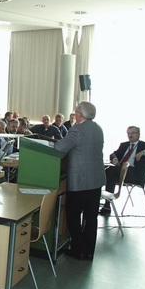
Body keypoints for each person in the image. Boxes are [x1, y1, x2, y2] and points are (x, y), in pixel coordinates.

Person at [53, 101, 105, 261]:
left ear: (80, 115)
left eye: (75, 112)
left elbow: (59, 148)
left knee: (73, 215)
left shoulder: (77, 130)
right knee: (91, 218)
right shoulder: (98, 128)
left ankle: (78, 248)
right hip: (96, 180)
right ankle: (89, 251)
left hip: (80, 181)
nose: (74, 114)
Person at [100, 126, 145, 215]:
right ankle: (107, 205)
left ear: (139, 134)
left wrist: (144, 152)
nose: (130, 135)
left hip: (135, 174)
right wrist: (115, 158)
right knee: (111, 174)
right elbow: (113, 154)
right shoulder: (124, 145)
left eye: (133, 133)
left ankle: (97, 195)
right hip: (120, 171)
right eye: (128, 133)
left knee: (109, 171)